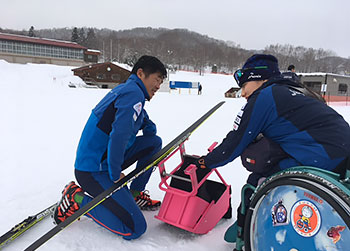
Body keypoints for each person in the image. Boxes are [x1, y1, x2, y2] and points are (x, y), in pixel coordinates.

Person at [195, 54, 350, 240]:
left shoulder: (265, 96)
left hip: (321, 154)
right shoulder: (298, 91)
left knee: (258, 178)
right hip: (341, 153)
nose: (242, 93)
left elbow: (237, 140)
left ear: (259, 79)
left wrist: (207, 162)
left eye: (244, 86)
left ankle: (245, 230)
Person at [53, 55, 167, 240]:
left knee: (153, 143)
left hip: (103, 160)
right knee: (135, 228)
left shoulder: (128, 90)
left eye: (161, 82)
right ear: (140, 74)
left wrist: (149, 126)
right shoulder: (133, 94)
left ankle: (135, 194)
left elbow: (140, 118)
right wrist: (115, 175)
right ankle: (77, 199)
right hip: (92, 170)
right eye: (156, 79)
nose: (158, 86)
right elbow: (119, 136)